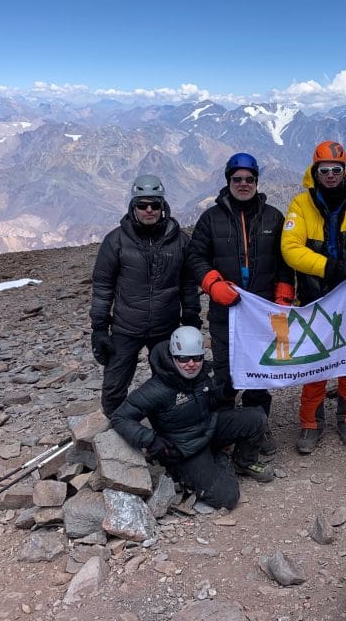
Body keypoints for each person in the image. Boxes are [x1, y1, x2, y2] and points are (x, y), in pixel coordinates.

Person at [187, 152, 295, 455]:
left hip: (263, 313)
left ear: (257, 181)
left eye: (249, 179)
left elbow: (286, 260)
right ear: (228, 181)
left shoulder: (274, 217)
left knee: (261, 374)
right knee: (226, 374)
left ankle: (257, 429)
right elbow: (195, 257)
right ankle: (223, 430)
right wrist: (212, 284)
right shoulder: (211, 218)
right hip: (227, 312)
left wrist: (285, 291)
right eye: (237, 179)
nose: (243, 184)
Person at [110, 326, 273, 511]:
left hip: (208, 427)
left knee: (256, 417)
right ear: (173, 356)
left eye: (197, 358)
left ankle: (243, 462)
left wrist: (226, 391)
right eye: (183, 358)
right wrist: (151, 440)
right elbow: (120, 417)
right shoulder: (155, 389)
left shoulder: (202, 374)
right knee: (227, 498)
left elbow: (209, 399)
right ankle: (213, 460)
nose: (191, 364)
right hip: (184, 447)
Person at [281, 140, 346, 453]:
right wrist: (333, 267)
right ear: (315, 171)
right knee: (316, 359)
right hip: (315, 296)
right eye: (325, 170)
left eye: (337, 170)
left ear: (344, 171)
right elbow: (291, 249)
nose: (331, 175)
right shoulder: (300, 205)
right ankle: (310, 423)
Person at [89, 174, 202, 417]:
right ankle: (117, 429)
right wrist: (99, 329)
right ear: (133, 207)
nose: (149, 210)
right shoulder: (115, 241)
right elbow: (102, 288)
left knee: (170, 380)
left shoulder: (179, 241)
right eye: (142, 205)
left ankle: (167, 426)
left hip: (166, 326)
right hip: (125, 328)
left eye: (155, 204)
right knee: (114, 386)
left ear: (163, 206)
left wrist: (192, 318)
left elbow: (188, 285)